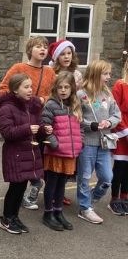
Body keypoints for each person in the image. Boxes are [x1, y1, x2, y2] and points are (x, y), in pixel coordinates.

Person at [0, 36, 55, 211]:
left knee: (36, 161)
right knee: (21, 167)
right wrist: (19, 102)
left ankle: (30, 194)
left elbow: (54, 94)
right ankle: (14, 208)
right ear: (30, 49)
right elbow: (2, 90)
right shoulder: (19, 68)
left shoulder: (50, 72)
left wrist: (42, 99)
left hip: (40, 117)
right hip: (20, 117)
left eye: (45, 46)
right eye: (38, 46)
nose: (42, 49)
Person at [0, 74, 51, 234]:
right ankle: (6, 218)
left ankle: (15, 216)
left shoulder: (32, 106)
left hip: (29, 152)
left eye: (30, 86)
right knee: (15, 187)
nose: (30, 90)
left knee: (21, 187)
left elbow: (38, 125)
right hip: (16, 153)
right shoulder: (7, 108)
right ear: (15, 90)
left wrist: (44, 129)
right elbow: (6, 132)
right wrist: (27, 129)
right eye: (26, 87)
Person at [76, 60, 121, 224]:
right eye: (105, 74)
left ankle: (90, 200)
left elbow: (117, 115)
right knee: (85, 176)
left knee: (107, 178)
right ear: (95, 74)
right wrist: (92, 125)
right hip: (87, 143)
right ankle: (84, 207)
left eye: (109, 73)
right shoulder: (81, 95)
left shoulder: (108, 95)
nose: (109, 77)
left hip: (104, 144)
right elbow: (76, 119)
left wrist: (109, 122)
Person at [41, 72, 83, 231]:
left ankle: (58, 212)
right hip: (56, 152)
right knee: (52, 183)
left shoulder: (75, 105)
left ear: (72, 88)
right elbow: (46, 127)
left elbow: (81, 127)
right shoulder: (51, 105)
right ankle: (48, 213)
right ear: (55, 88)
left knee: (61, 185)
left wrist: (81, 143)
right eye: (60, 87)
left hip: (70, 153)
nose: (63, 90)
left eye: (66, 87)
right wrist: (55, 144)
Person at [48, 39, 83, 206]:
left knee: (64, 172)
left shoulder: (76, 74)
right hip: (55, 121)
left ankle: (58, 196)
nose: (67, 56)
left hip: (70, 120)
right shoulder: (51, 72)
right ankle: (49, 198)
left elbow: (78, 96)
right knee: (52, 169)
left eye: (69, 53)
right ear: (56, 57)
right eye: (63, 54)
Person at [109, 57, 128, 215]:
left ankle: (125, 197)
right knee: (120, 167)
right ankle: (114, 199)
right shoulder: (120, 85)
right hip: (123, 133)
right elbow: (116, 111)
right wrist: (125, 132)